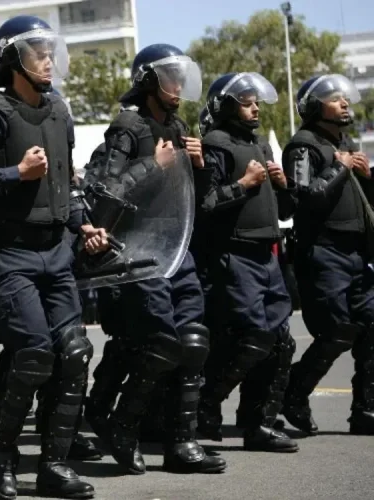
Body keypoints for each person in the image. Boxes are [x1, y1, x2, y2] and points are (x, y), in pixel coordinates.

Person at [0, 15, 110, 499]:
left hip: (57, 253)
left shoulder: (59, 112)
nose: (48, 59)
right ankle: (0, 457)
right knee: (33, 355)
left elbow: (67, 184)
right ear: (13, 58)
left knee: (75, 353)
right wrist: (14, 173)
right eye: (37, 51)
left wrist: (84, 223)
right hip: (11, 254)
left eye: (50, 50)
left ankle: (54, 465)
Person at [83, 43, 225, 475]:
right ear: (148, 81)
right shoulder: (127, 127)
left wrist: (198, 167)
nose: (178, 86)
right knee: (160, 342)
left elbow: (194, 199)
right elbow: (105, 193)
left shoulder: (180, 125)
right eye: (169, 77)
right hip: (138, 249)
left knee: (194, 342)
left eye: (181, 77)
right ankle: (123, 426)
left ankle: (181, 443)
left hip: (176, 245)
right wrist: (154, 165)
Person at [196, 72, 299, 453]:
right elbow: (205, 204)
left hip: (267, 253)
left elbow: (285, 209)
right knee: (252, 337)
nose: (255, 107)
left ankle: (259, 424)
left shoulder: (260, 146)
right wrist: (244, 184)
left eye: (256, 100)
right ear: (226, 105)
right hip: (234, 254)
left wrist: (282, 183)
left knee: (279, 342)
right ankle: (203, 405)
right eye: (246, 100)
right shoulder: (215, 145)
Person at [281, 74, 374, 436]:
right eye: (335, 98)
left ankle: (365, 410)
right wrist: (341, 166)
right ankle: (294, 392)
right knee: (336, 330)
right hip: (323, 251)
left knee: (371, 327)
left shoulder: (343, 146)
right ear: (315, 106)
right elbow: (304, 197)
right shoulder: (303, 146)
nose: (345, 103)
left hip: (355, 254)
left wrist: (366, 175)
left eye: (344, 98)